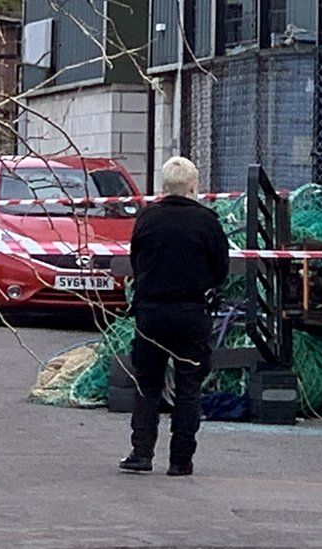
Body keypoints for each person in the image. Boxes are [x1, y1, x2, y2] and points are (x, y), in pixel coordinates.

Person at [120, 156, 229, 476]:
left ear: (163, 187)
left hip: (151, 312)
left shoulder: (147, 219)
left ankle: (141, 453)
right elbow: (221, 269)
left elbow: (136, 261)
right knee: (188, 386)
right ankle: (181, 460)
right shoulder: (207, 221)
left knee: (148, 384)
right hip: (191, 312)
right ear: (194, 186)